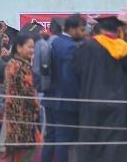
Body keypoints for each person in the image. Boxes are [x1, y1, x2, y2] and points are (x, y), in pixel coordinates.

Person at [72, 14, 127, 162]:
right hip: (118, 104)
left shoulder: (87, 46)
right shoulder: (126, 49)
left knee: (92, 143)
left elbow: (76, 71)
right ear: (119, 30)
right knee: (115, 146)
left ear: (100, 29)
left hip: (91, 101)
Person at [41, 13, 84, 162]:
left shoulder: (54, 42)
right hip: (65, 100)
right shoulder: (70, 47)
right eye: (82, 29)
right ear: (72, 29)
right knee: (63, 139)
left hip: (49, 97)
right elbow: (68, 77)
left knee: (51, 137)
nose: (84, 32)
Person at [2, 31, 38, 162]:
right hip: (24, 116)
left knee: (15, 150)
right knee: (27, 151)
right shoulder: (23, 66)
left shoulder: (10, 63)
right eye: (29, 47)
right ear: (18, 47)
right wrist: (37, 107)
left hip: (13, 113)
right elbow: (28, 91)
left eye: (33, 47)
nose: (32, 50)